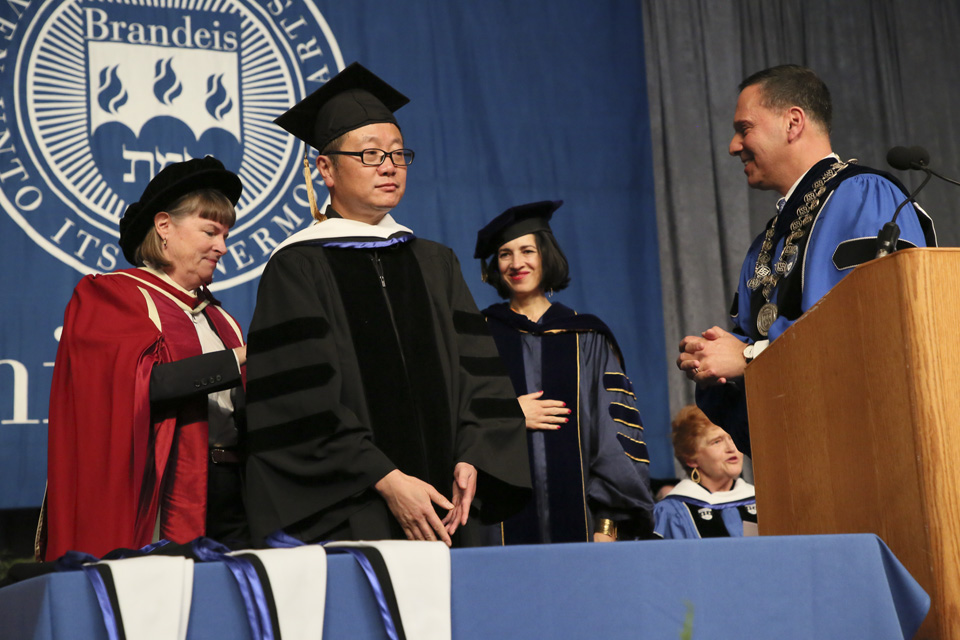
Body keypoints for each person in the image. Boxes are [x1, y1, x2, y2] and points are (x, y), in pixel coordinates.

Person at [243, 62, 531, 548]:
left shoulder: (434, 262)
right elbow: (299, 403)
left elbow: (479, 380)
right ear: (326, 169)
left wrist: (474, 454)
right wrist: (384, 478)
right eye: (370, 154)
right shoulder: (298, 267)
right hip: (355, 511)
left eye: (398, 154)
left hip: (448, 512)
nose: (389, 165)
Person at [677, 65, 936, 456]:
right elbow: (757, 428)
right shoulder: (766, 243)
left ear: (793, 122)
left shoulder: (864, 195)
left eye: (744, 128)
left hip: (877, 454)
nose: (733, 145)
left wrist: (748, 356)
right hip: (800, 468)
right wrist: (718, 373)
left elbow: (877, 329)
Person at [43, 156, 248, 560]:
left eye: (226, 234)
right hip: (160, 486)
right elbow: (138, 384)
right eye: (210, 231)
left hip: (232, 490)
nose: (222, 247)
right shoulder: (112, 295)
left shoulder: (222, 319)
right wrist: (239, 360)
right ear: (164, 227)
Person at [474, 200, 655, 543]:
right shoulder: (477, 335)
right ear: (495, 266)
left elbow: (613, 432)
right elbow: (452, 420)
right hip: (492, 528)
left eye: (527, 250)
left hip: (586, 528)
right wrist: (508, 415)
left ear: (546, 255)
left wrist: (608, 523)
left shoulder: (586, 336)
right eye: (504, 254)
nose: (517, 263)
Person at [654, 406, 756, 539]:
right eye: (717, 441)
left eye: (732, 438)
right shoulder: (670, 512)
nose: (731, 448)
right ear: (691, 459)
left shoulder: (760, 501)